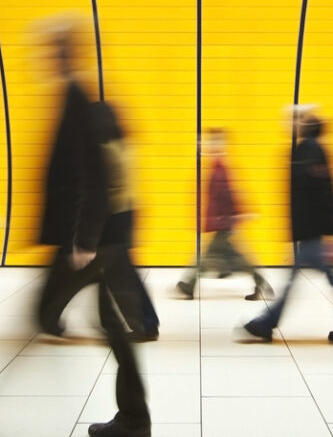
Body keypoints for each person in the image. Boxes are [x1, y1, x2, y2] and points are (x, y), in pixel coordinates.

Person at [35, 23, 150, 437]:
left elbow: (102, 180)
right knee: (111, 325)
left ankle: (135, 420)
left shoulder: (83, 104)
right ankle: (134, 419)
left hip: (101, 238)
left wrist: (84, 239)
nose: (42, 58)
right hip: (99, 235)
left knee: (104, 324)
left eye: (50, 49)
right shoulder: (84, 102)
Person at [241, 109, 333, 346]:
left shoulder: (307, 150)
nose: (288, 123)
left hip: (312, 231)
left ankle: (266, 324)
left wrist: (311, 234)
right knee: (323, 278)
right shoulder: (311, 149)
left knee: (297, 281)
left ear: (304, 124)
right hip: (313, 231)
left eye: (294, 119)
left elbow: (314, 194)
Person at [38, 100, 160, 342]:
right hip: (126, 215)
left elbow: (96, 192)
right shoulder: (125, 144)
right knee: (118, 274)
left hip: (107, 218)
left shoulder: (101, 151)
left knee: (79, 274)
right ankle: (142, 322)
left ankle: (50, 319)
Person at [177, 128, 273, 301]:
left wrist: (237, 215)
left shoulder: (220, 168)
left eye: (215, 141)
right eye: (209, 141)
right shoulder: (217, 166)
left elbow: (228, 196)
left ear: (222, 144)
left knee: (208, 257)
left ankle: (189, 284)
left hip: (223, 222)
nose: (209, 145)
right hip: (222, 222)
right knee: (235, 257)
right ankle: (261, 283)